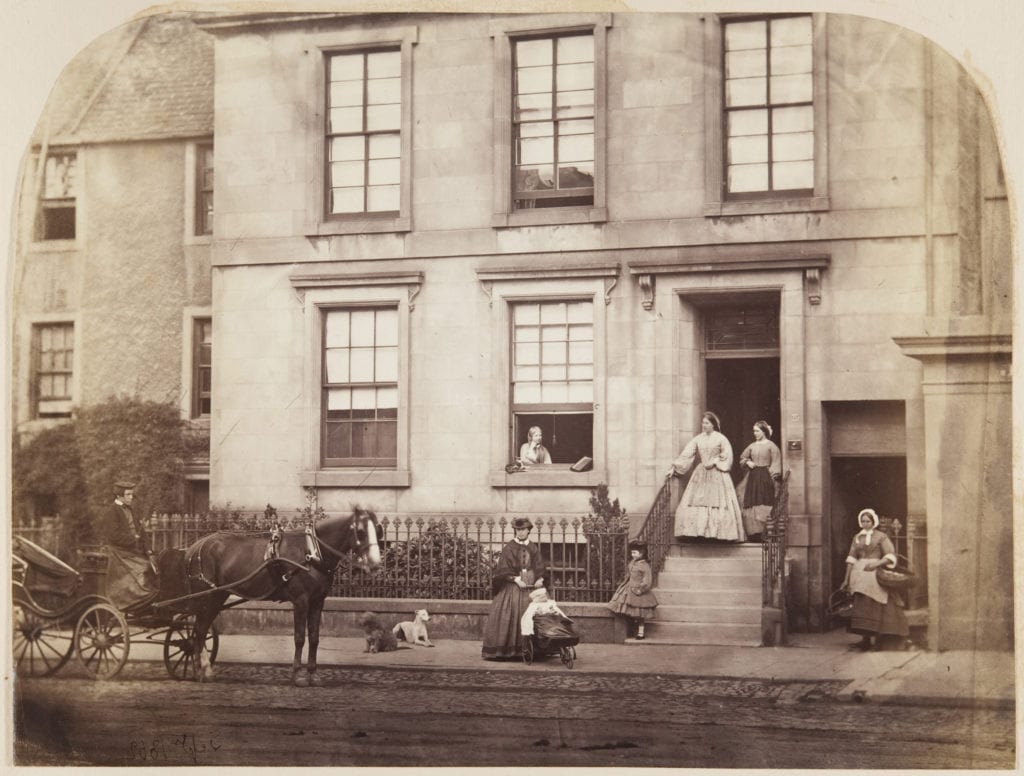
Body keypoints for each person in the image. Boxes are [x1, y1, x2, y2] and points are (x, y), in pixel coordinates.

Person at [666, 411, 746, 542]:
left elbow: (728, 456)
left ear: (713, 424)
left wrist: (716, 462)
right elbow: (687, 454)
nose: (704, 425)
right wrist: (675, 468)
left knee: (717, 502)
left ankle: (717, 535)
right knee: (698, 501)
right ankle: (700, 533)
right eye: (703, 423)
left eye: (707, 423)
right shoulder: (698, 438)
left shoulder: (721, 438)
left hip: (717, 473)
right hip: (701, 473)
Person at [841, 507, 910, 651]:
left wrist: (876, 564)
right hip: (859, 574)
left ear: (874, 522)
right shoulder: (857, 537)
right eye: (863, 521)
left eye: (868, 521)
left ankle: (879, 639)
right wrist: (846, 579)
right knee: (862, 607)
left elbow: (891, 555)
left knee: (876, 604)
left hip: (875, 573)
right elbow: (851, 559)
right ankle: (865, 639)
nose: (865, 523)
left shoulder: (881, 536)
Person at [481, 516, 547, 659]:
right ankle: (511, 650)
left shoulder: (533, 547)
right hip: (513, 587)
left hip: (531, 586)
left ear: (529, 530)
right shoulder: (509, 548)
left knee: (534, 612)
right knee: (513, 611)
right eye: (518, 530)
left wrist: (540, 579)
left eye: (523, 529)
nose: (520, 533)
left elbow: (539, 565)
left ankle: (533, 649)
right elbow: (504, 569)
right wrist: (517, 580)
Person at [96, 480, 158, 601]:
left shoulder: (131, 510)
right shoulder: (112, 512)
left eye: (132, 494)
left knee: (156, 565)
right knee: (144, 567)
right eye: (128, 494)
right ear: (119, 496)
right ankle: (140, 597)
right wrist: (132, 539)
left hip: (135, 550)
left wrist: (149, 550)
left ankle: (149, 596)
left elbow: (142, 533)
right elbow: (113, 536)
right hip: (120, 552)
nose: (131, 497)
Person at [735, 420, 783, 541]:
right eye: (754, 431)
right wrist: (748, 462)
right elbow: (742, 457)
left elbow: (776, 462)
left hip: (766, 476)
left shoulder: (771, 446)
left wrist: (773, 477)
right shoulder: (752, 446)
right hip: (753, 477)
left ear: (764, 431)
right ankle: (754, 533)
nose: (755, 433)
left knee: (764, 501)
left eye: (757, 431)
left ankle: (766, 532)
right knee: (750, 501)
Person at [607, 541, 658, 640]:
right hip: (629, 588)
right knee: (629, 611)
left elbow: (647, 580)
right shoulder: (633, 562)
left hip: (639, 592)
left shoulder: (645, 566)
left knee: (640, 615)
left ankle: (641, 633)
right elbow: (629, 574)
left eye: (635, 553)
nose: (632, 555)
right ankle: (631, 630)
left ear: (641, 553)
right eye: (632, 552)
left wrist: (641, 589)